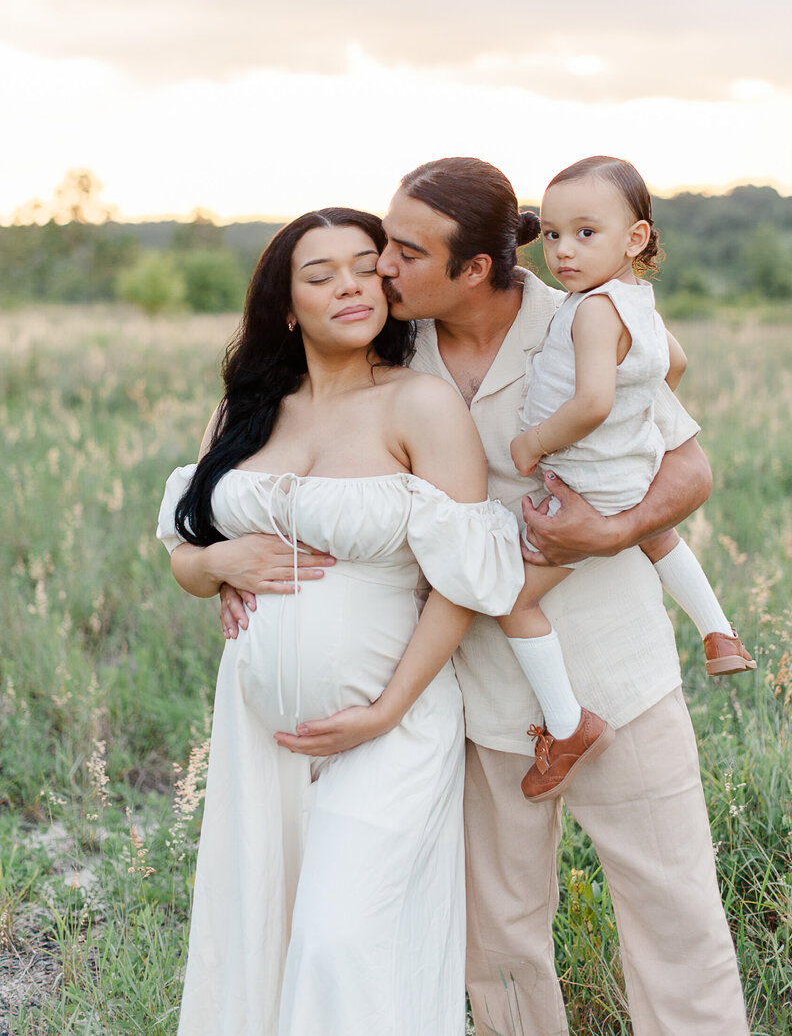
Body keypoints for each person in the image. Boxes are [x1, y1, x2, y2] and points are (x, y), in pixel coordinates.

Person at [215, 158, 750, 1036]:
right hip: (473, 696)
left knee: (674, 918)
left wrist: (608, 532)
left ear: (474, 268)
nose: (382, 265)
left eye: (404, 250)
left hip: (617, 671)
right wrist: (225, 562)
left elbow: (688, 465)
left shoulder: (584, 321)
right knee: (497, 944)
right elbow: (299, 467)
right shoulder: (390, 345)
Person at [159, 206, 525, 1035]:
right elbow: (185, 552)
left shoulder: (420, 405)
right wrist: (213, 565)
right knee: (261, 932)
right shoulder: (245, 413)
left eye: (367, 267)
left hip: (388, 726)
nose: (351, 286)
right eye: (320, 275)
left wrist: (386, 711)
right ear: (287, 307)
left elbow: (464, 580)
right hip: (258, 735)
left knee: (337, 941)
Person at [496, 155, 754, 801]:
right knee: (659, 535)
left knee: (515, 601)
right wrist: (643, 411)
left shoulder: (590, 312)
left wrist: (533, 441)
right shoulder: (638, 300)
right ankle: (717, 630)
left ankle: (567, 723)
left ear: (635, 238)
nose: (563, 251)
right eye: (552, 234)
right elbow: (678, 361)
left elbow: (590, 405)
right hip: (630, 468)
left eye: (586, 233)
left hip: (588, 482)